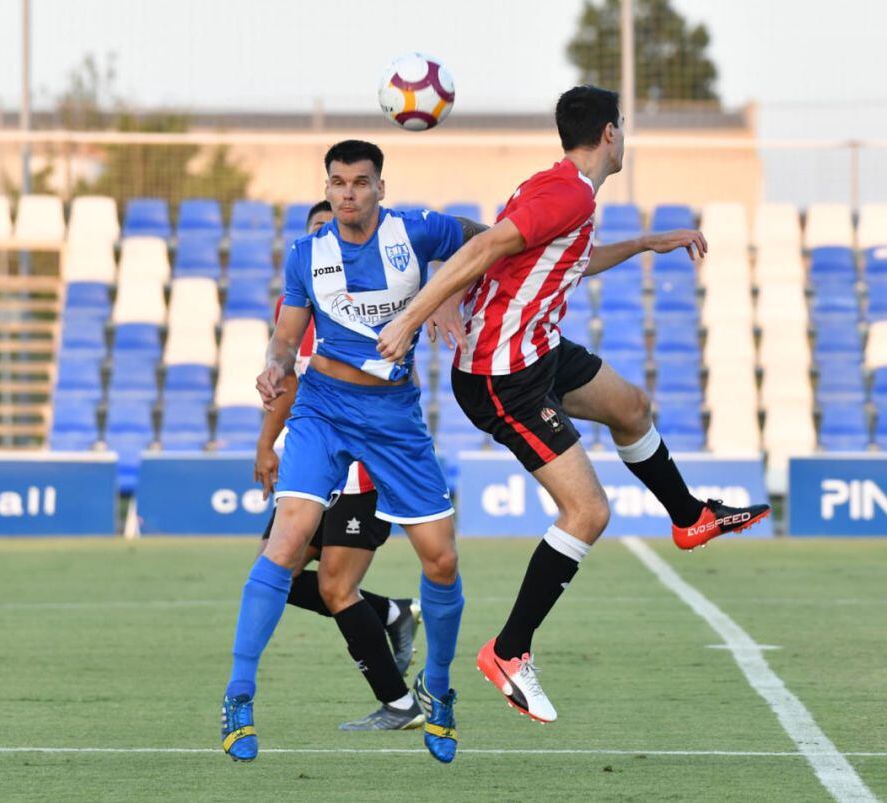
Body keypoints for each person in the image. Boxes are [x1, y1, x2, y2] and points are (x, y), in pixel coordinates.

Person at [377, 85, 770, 725]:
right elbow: (480, 249)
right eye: (625, 127)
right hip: (505, 376)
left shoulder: (564, 189)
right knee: (587, 512)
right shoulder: (562, 192)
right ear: (610, 133)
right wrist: (411, 320)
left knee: (632, 407)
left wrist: (646, 243)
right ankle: (508, 652)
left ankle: (690, 515)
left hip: (540, 349)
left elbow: (571, 264)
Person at [221, 140, 484, 765]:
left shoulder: (420, 231)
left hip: (394, 418)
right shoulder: (305, 255)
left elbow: (491, 240)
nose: (347, 194)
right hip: (323, 408)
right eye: (337, 183)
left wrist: (447, 289)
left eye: (360, 183)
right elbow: (287, 341)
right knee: (286, 544)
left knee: (441, 560)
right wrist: (273, 368)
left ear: (380, 188)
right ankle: (238, 696)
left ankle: (438, 690)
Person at [251, 199, 422, 733]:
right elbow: (288, 381)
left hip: (362, 471)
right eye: (316, 235)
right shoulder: (297, 306)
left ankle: (400, 705)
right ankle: (394, 613)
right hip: (312, 468)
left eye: (336, 232)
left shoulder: (379, 301)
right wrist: (267, 444)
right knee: (273, 572)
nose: (328, 243)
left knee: (333, 589)